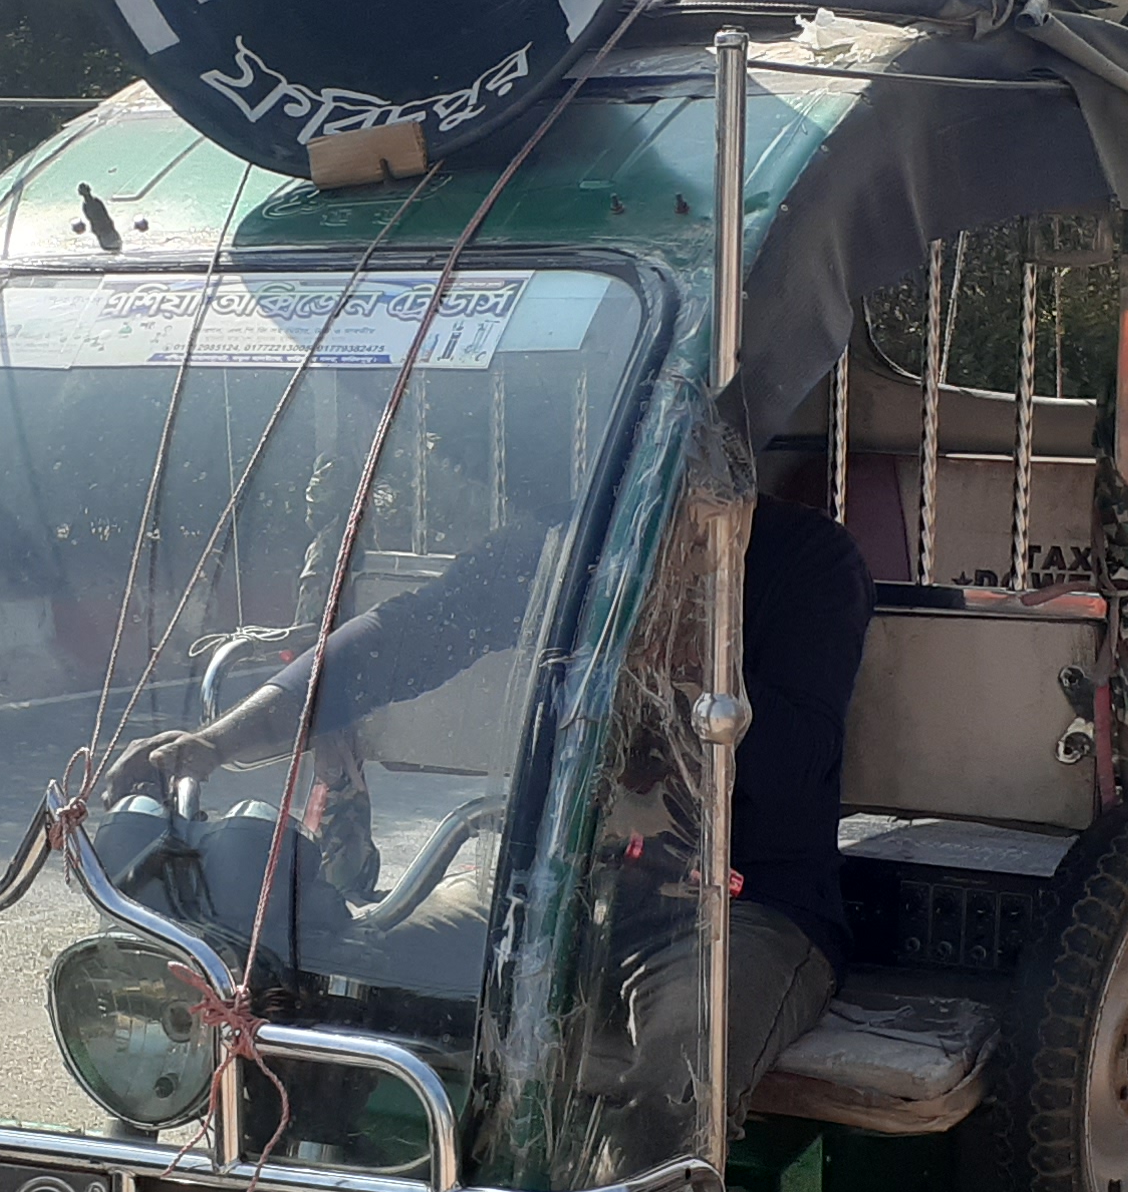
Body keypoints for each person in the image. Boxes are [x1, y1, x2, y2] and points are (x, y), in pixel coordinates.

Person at [111, 446, 871, 1134]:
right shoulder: (563, 547)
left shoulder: (806, 561)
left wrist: (674, 639)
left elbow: (793, 769)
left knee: (670, 1100)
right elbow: (394, 643)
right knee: (331, 993)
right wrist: (215, 743)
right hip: (550, 890)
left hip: (737, 908)